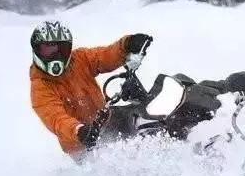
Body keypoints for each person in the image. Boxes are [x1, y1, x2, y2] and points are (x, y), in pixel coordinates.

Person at [29, 20, 153, 158]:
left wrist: (127, 44)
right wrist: (78, 131)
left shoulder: (79, 59)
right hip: (83, 146)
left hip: (106, 120)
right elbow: (56, 119)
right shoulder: (40, 87)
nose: (56, 57)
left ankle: (167, 146)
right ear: (36, 51)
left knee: (141, 119)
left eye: (61, 50)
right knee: (119, 162)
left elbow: (105, 56)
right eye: (49, 51)